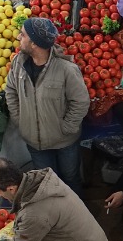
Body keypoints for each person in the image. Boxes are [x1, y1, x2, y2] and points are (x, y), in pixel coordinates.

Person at [6, 17, 90, 192]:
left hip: (64, 142)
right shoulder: (18, 64)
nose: (18, 37)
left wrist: (66, 127)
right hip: (35, 144)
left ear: (35, 43)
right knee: (47, 182)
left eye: (23, 35)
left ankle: (75, 215)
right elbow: (11, 91)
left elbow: (81, 101)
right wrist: (19, 120)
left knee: (70, 179)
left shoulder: (66, 69)